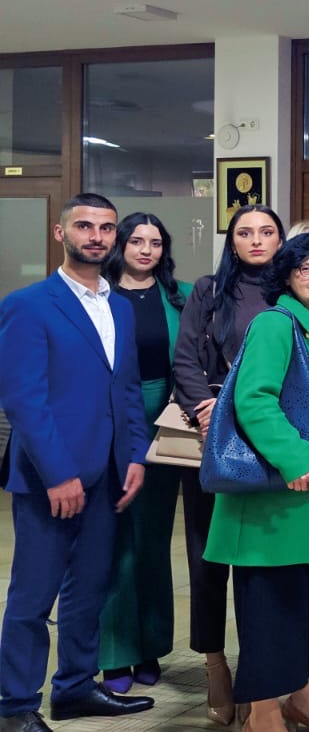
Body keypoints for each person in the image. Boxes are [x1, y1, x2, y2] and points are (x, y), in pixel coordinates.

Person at [0, 193, 154, 732]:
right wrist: (58, 473)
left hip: (110, 472)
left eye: (106, 228)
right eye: (84, 226)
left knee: (90, 588)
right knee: (33, 596)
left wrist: (136, 456)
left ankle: (75, 688)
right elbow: (23, 399)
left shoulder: (118, 306)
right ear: (60, 233)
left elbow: (127, 389)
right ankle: (15, 705)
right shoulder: (29, 304)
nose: (96, 236)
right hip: (52, 476)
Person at [202, 230, 309, 732]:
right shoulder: (276, 324)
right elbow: (253, 399)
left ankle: (305, 700)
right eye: (307, 267)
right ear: (287, 275)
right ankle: (264, 714)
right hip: (281, 494)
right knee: (272, 609)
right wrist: (295, 459)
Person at [170, 204, 284, 725]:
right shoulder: (209, 291)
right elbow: (185, 360)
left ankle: (264, 673)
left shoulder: (293, 291)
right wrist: (207, 409)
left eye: (266, 231)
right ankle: (215, 665)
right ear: (232, 241)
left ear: (281, 240)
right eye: (245, 232)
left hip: (274, 439)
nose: (256, 240)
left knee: (263, 565)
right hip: (214, 440)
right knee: (208, 558)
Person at [95, 213, 193, 693]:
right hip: (110, 418)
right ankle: (114, 654)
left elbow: (197, 359)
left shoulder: (182, 296)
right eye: (137, 241)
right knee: (114, 539)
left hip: (166, 422)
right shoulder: (98, 294)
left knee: (152, 539)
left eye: (155, 242)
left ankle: (150, 645)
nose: (146, 250)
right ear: (122, 244)